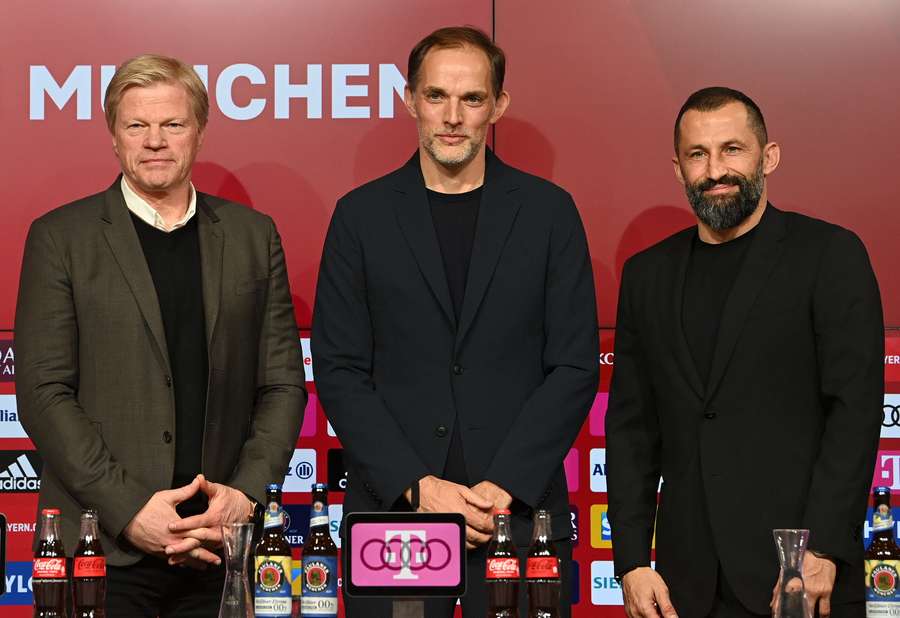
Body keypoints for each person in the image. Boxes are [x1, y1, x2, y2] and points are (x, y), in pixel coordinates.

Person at [311, 26, 598, 617]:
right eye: (437, 95)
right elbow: (339, 370)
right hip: (396, 516)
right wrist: (418, 485)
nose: (452, 116)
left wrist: (505, 485)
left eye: (471, 99)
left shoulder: (549, 213)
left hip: (518, 518)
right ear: (409, 99)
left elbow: (573, 366)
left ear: (498, 106)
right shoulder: (359, 216)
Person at [15, 54, 306, 616]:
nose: (154, 141)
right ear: (113, 136)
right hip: (103, 547)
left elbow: (282, 385)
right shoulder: (60, 239)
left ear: (199, 130)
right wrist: (130, 510)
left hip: (219, 547)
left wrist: (243, 495)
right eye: (136, 125)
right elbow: (44, 394)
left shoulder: (252, 236)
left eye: (172, 124)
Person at [605, 86, 884, 618]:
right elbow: (631, 428)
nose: (715, 170)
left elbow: (854, 412)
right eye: (697, 154)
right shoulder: (647, 275)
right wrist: (633, 562)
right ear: (677, 167)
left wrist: (822, 548)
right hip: (684, 585)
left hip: (797, 578)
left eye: (732, 149)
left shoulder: (829, 255)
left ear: (768, 156)